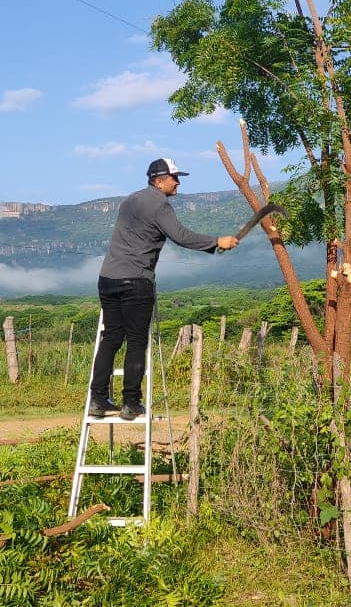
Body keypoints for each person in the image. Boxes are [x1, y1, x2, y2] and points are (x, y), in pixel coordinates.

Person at [88, 157, 238, 420]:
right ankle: (131, 403)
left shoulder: (130, 200)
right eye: (174, 178)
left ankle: (98, 399)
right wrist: (217, 241)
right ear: (159, 181)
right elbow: (180, 236)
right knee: (136, 341)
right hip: (136, 280)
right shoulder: (160, 204)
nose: (178, 182)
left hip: (108, 279)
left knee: (111, 338)